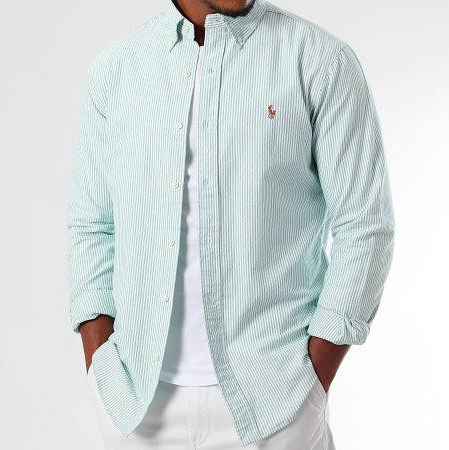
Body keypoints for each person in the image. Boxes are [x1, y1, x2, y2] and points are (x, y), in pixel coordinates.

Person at [67, 0, 395, 448]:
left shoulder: (321, 61)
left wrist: (314, 379)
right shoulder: (115, 72)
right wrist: (100, 363)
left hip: (277, 404)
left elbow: (365, 225)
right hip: (136, 409)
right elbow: (93, 225)